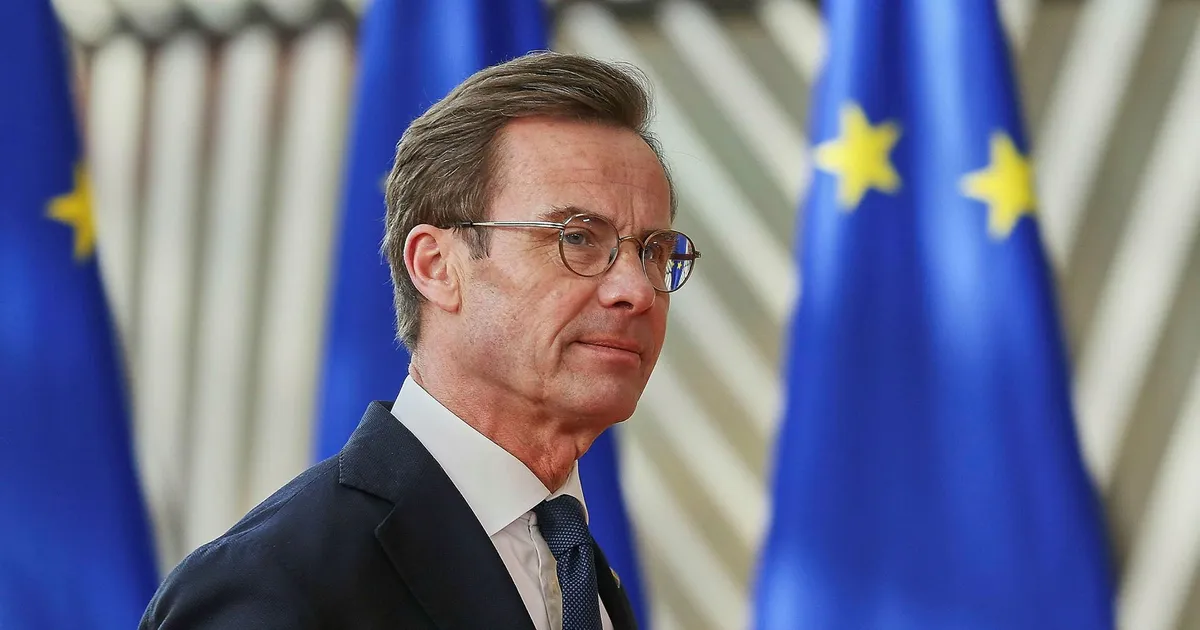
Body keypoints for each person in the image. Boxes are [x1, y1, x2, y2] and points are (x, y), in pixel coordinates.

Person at [139, 51, 701, 630]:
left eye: (654, 251)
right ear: (436, 266)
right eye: (578, 237)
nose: (637, 289)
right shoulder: (271, 585)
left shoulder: (580, 567)